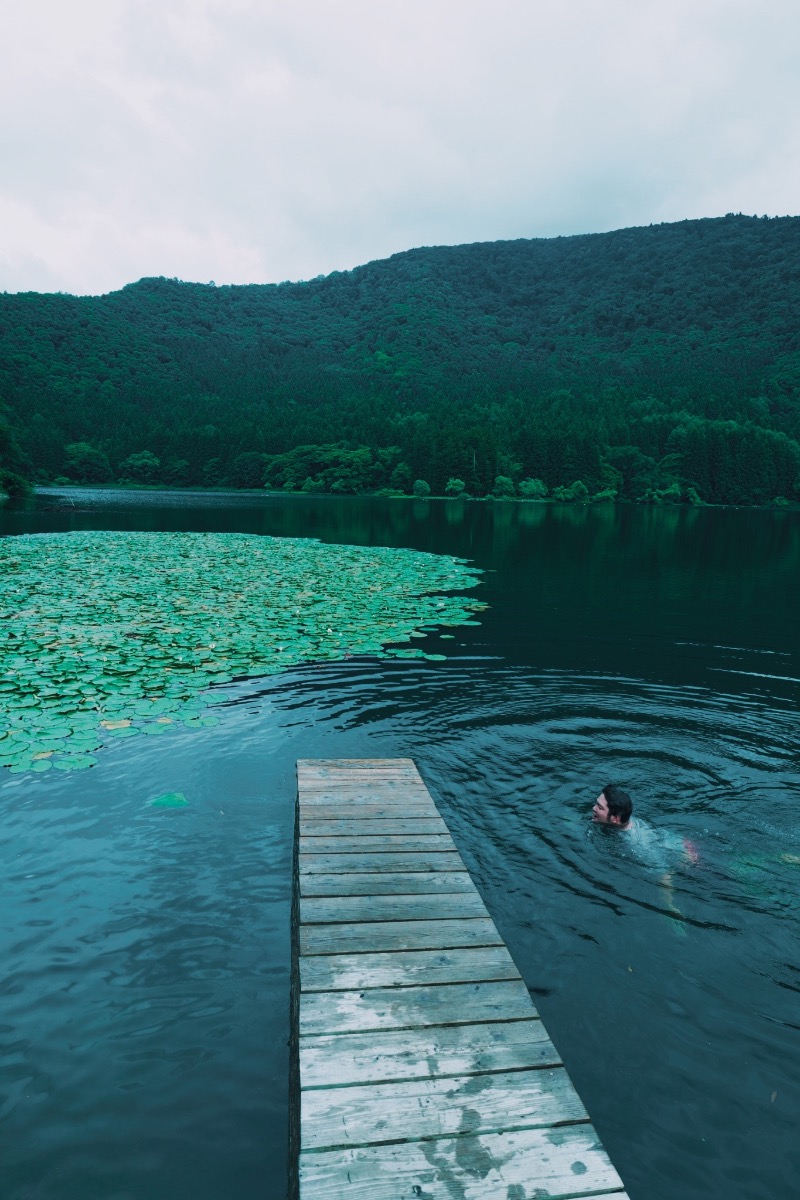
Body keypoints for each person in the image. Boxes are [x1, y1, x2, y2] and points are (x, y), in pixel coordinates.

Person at [592, 783, 695, 927]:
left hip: (688, 861)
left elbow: (664, 873)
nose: (593, 808)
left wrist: (668, 906)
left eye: (599, 807)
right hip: (683, 844)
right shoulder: (629, 820)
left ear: (615, 818)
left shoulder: (636, 845)